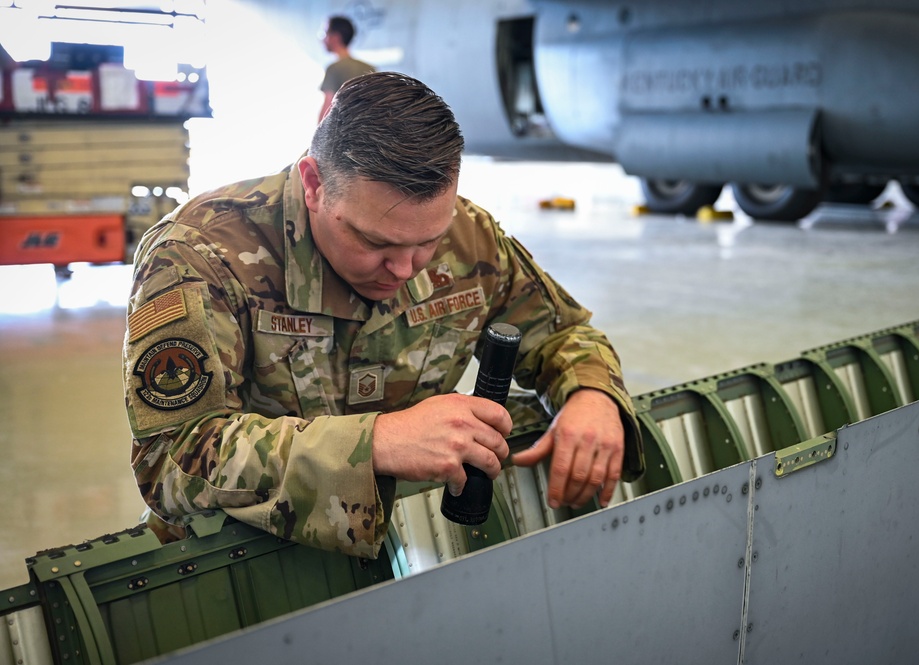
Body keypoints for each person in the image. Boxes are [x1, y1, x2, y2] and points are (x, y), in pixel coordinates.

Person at [123, 72, 644, 558]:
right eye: (374, 242)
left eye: (428, 242)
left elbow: (563, 335)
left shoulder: (470, 236)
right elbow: (170, 458)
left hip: (409, 547)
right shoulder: (199, 254)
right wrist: (377, 444)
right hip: (230, 564)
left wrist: (591, 394)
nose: (404, 268)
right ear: (314, 184)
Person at [318, 15, 375, 122]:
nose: (322, 39)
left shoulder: (333, 69)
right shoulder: (369, 68)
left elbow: (327, 111)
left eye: (325, 33)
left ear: (335, 37)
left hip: (342, 134)